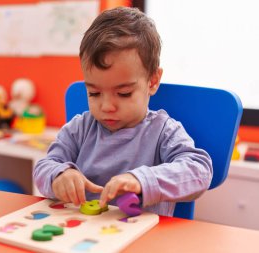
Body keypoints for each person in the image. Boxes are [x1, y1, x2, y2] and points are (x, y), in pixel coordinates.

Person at [33, 7, 212, 216]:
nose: (106, 106)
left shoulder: (163, 131)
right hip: (81, 238)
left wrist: (142, 180)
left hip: (144, 240)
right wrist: (59, 176)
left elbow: (199, 171)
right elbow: (44, 167)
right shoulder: (79, 129)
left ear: (152, 81)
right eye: (94, 93)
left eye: (124, 93)